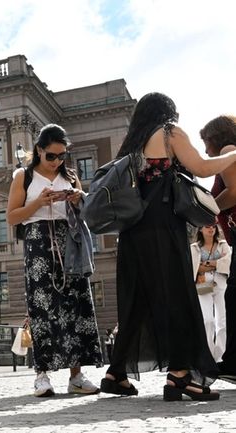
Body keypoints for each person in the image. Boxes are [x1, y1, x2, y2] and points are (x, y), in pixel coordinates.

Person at [100, 93, 236, 401]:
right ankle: (179, 376)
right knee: (176, 296)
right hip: (162, 227)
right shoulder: (168, 132)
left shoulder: (132, 143)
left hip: (133, 232)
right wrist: (233, 155)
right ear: (167, 112)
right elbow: (201, 167)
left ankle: (115, 373)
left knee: (138, 302)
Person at [7, 124, 103, 397]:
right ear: (39, 150)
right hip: (38, 244)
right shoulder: (22, 177)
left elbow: (84, 214)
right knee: (42, 308)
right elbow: (13, 217)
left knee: (77, 305)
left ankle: (76, 376)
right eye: (51, 155)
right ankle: (42, 375)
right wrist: (38, 202)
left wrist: (77, 199)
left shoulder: (70, 175)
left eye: (62, 155)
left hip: (70, 240)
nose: (57, 161)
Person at [202, 114, 236, 383]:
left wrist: (209, 208)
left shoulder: (228, 150)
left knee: (233, 299)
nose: (205, 151)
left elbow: (235, 191)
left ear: (216, 138)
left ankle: (233, 362)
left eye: (206, 143)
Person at [190, 224, 230, 362]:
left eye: (213, 226)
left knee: (223, 321)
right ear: (201, 229)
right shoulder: (194, 248)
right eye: (207, 226)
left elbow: (228, 262)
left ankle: (220, 356)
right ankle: (208, 355)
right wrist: (216, 263)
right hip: (203, 283)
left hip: (221, 282)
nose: (211, 229)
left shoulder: (223, 244)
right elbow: (194, 267)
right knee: (208, 320)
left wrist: (207, 264)